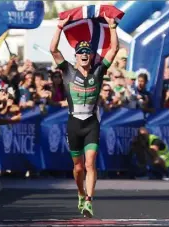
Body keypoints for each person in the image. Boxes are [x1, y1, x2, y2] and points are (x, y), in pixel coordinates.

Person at [50, 13, 119, 218]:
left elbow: (113, 49)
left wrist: (112, 27)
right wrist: (59, 28)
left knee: (90, 163)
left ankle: (89, 200)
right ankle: (81, 193)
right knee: (78, 168)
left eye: (87, 52)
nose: (84, 54)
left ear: (91, 55)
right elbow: (53, 50)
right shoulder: (68, 71)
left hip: (91, 123)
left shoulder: (98, 71)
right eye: (80, 52)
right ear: (76, 56)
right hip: (74, 123)